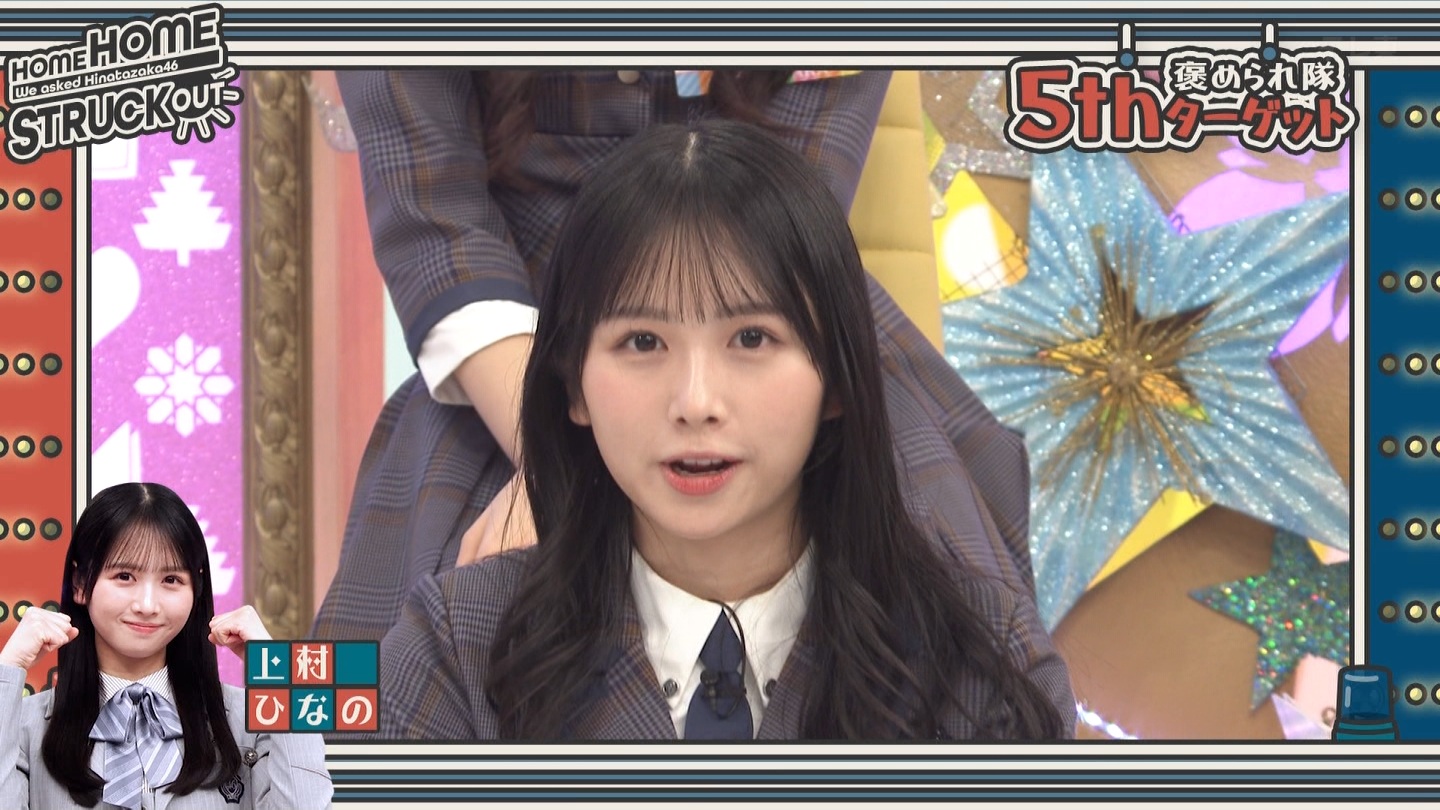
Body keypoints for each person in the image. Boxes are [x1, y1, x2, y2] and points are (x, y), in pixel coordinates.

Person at [317, 71, 1042, 678]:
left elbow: (798, 204)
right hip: (515, 349)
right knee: (402, 667)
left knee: (948, 614)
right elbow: (433, 217)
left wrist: (744, 339)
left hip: (770, 301)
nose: (695, 404)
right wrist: (553, 454)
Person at [0, 482, 333, 809]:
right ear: (80, 583)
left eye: (171, 580)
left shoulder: (252, 719)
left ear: (196, 588)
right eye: (124, 576)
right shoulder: (24, 726)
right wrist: (9, 667)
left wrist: (279, 669)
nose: (147, 605)